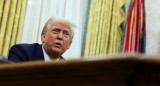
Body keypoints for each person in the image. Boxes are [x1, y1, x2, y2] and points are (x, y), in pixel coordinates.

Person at [8, 16, 76, 62]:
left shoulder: (68, 69)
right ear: (44, 36)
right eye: (56, 31)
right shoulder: (21, 52)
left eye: (66, 34)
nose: (60, 37)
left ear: (69, 44)